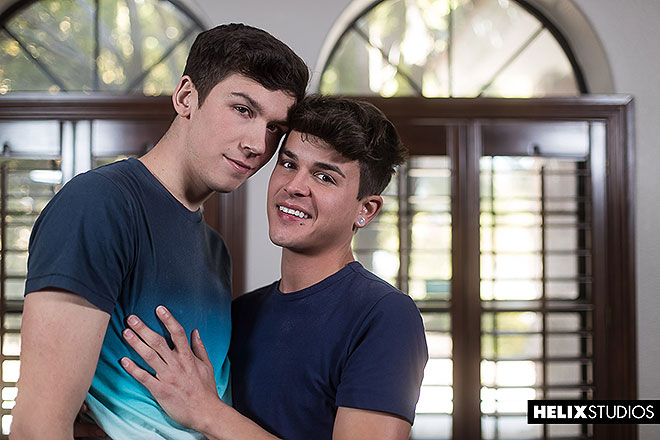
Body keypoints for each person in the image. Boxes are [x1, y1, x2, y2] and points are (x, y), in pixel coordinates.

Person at [10, 23, 308, 440]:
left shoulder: (215, 250)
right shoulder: (100, 204)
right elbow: (37, 426)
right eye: (243, 109)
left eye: (275, 127)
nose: (258, 144)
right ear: (186, 98)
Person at [120, 95, 429, 439]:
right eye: (288, 164)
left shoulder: (385, 316)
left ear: (366, 210)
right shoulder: (240, 313)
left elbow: (203, 412)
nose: (294, 186)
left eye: (325, 177)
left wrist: (207, 412)